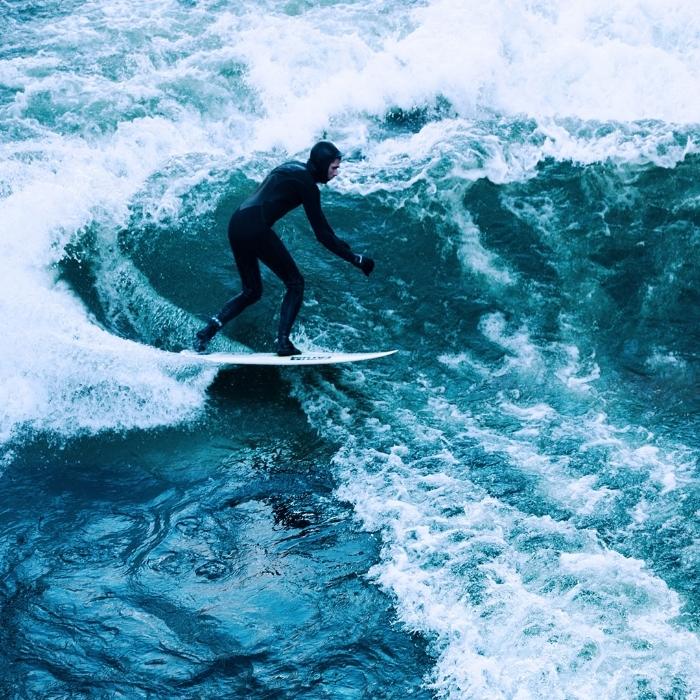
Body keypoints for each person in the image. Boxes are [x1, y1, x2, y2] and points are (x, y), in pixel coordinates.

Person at [194, 141, 375, 355]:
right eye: (334, 167)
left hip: (237, 223)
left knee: (251, 291)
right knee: (295, 283)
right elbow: (323, 235)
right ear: (323, 164)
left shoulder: (293, 168)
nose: (337, 173)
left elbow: (325, 233)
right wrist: (355, 259)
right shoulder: (307, 184)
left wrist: (345, 249)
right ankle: (282, 342)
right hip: (255, 227)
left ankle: (207, 332)